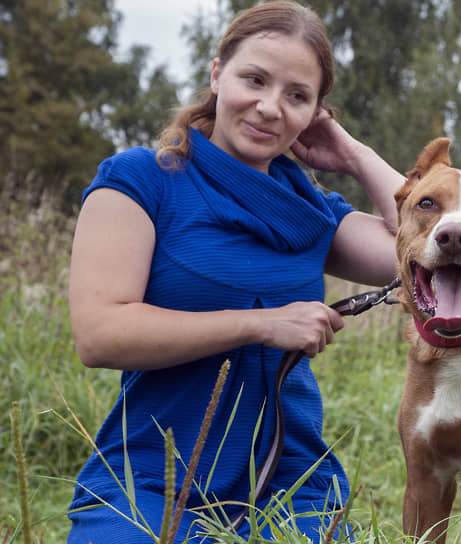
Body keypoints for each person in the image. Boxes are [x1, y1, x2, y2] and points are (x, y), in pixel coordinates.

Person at [66, 2, 402, 542]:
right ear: (218, 73)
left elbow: (425, 248)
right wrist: (260, 325)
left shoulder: (314, 211)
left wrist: (356, 155)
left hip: (289, 483)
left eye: (297, 96)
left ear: (316, 112)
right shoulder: (141, 180)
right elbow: (100, 335)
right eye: (255, 79)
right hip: (154, 475)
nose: (271, 108)